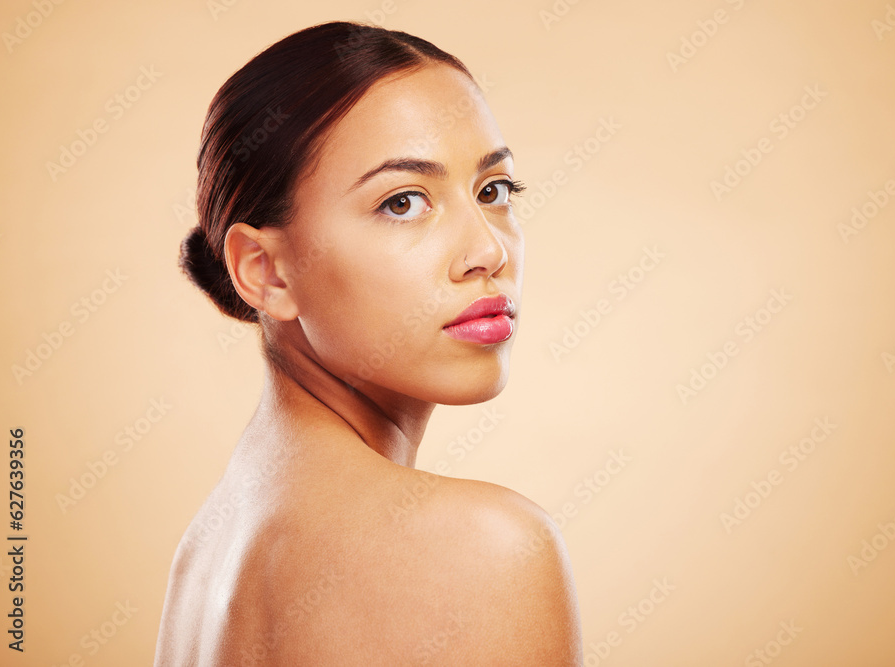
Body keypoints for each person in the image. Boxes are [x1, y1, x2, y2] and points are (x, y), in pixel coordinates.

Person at [154, 21, 583, 666]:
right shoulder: (485, 550)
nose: (487, 251)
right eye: (403, 202)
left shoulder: (208, 552)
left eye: (493, 192)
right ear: (265, 271)